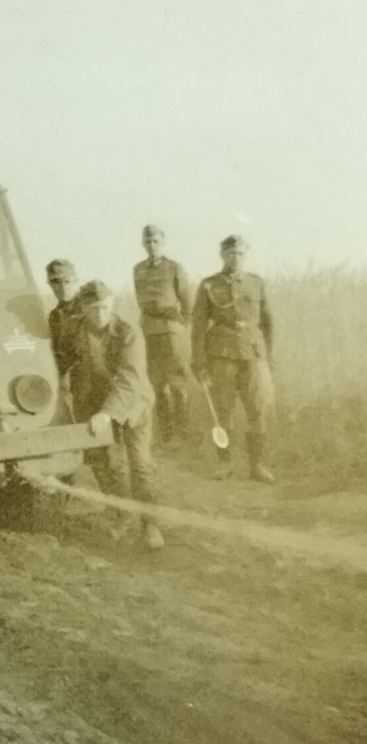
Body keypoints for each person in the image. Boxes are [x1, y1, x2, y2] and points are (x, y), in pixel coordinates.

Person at [70, 280, 164, 550]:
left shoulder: (128, 332)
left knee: (140, 464)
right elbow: (62, 360)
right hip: (98, 404)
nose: (99, 313)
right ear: (83, 308)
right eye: (92, 308)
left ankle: (150, 525)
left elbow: (129, 379)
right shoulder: (75, 331)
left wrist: (108, 413)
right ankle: (122, 515)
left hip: (134, 403)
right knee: (106, 465)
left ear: (111, 305)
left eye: (103, 307)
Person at [191, 235, 275, 482]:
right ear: (222, 255)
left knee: (257, 409)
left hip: (253, 355)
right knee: (222, 411)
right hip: (222, 355)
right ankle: (225, 463)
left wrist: (268, 358)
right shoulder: (209, 285)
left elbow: (268, 323)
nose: (235, 258)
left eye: (239, 254)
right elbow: (198, 327)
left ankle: (257, 465)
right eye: (230, 253)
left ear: (245, 255)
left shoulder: (257, 283)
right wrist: (200, 363)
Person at [132, 224, 192, 442]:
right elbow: (141, 300)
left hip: (171, 331)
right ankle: (166, 432)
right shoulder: (138, 269)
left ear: (163, 243)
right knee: (156, 384)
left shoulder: (174, 268)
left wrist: (180, 326)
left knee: (177, 383)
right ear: (143, 243)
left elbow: (187, 303)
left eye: (156, 241)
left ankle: (183, 431)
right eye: (148, 241)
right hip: (149, 331)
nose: (152, 245)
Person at [45, 258, 81, 422]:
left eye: (67, 281)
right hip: (66, 379)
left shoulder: (88, 308)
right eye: (55, 282)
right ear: (49, 285)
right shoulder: (55, 315)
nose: (62, 287)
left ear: (76, 281)